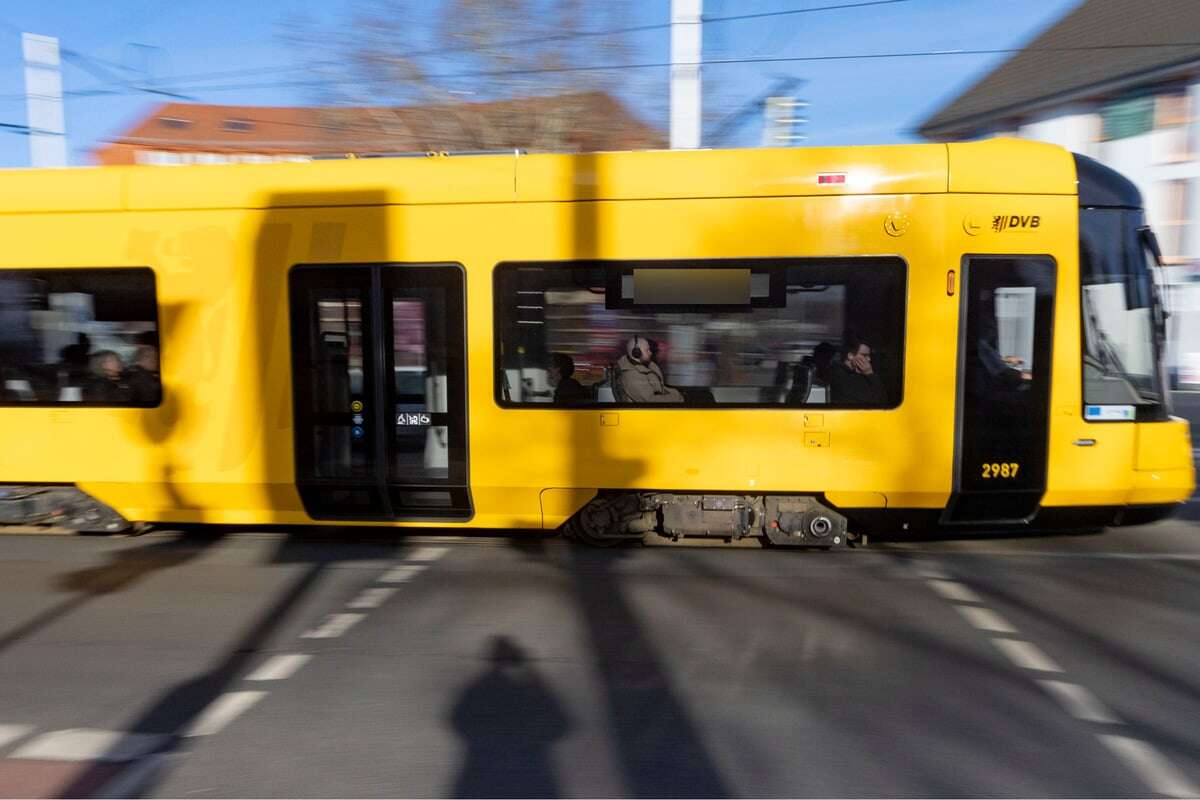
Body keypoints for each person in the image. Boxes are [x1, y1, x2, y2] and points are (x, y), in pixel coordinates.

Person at [616, 336, 683, 403]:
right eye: (647, 350)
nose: (650, 353)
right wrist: (676, 398)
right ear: (637, 353)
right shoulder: (632, 375)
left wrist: (676, 393)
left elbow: (660, 388)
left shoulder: (647, 366)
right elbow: (650, 400)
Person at [829, 333, 887, 406]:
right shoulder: (840, 376)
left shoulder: (856, 373)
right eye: (864, 355)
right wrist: (870, 373)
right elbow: (875, 401)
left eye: (869, 355)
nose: (869, 359)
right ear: (850, 356)